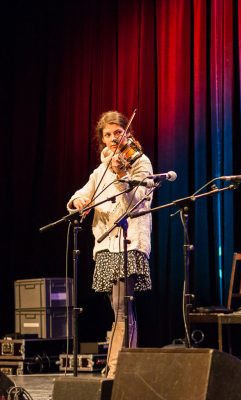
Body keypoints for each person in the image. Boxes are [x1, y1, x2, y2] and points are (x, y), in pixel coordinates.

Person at [67, 111, 153, 379]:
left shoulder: (139, 162)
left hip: (129, 242)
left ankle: (116, 368)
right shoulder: (101, 168)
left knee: (121, 308)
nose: (114, 138)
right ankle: (127, 366)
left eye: (118, 132)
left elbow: (139, 201)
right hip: (105, 246)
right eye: (108, 134)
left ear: (127, 134)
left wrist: (120, 176)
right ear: (101, 140)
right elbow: (83, 192)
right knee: (121, 309)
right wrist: (78, 202)